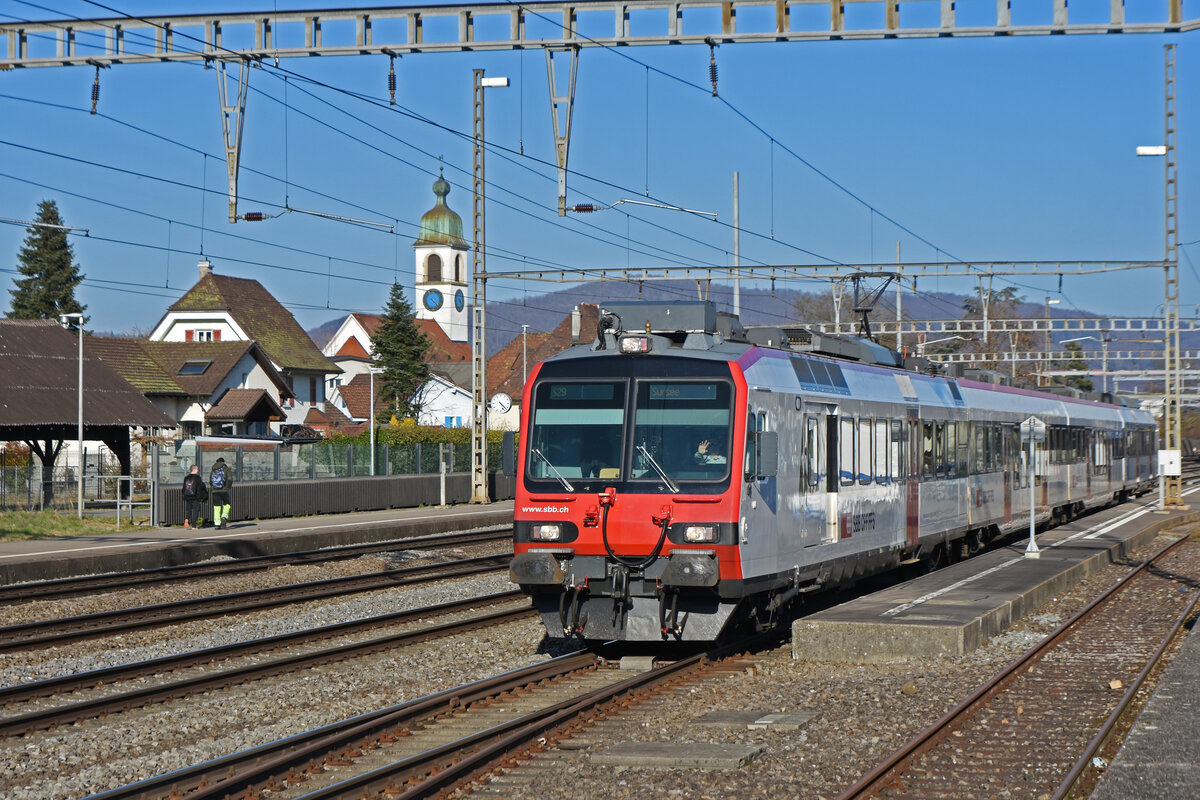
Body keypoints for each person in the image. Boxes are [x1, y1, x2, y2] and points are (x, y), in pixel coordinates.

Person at [209, 457, 234, 530]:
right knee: (227, 504)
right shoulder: (226, 469)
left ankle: (217, 524)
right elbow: (230, 479)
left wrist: (213, 487)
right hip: (224, 490)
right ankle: (224, 517)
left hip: (215, 491)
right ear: (223, 462)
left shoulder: (213, 470)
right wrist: (227, 487)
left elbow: (210, 481)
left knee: (216, 506)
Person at [181, 465, 207, 529]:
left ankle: (187, 518)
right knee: (195, 510)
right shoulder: (197, 478)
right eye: (197, 469)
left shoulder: (186, 477)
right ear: (194, 469)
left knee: (188, 509)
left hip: (188, 496)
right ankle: (193, 525)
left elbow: (184, 487)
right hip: (195, 496)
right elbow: (201, 487)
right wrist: (203, 495)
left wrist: (184, 495)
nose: (198, 470)